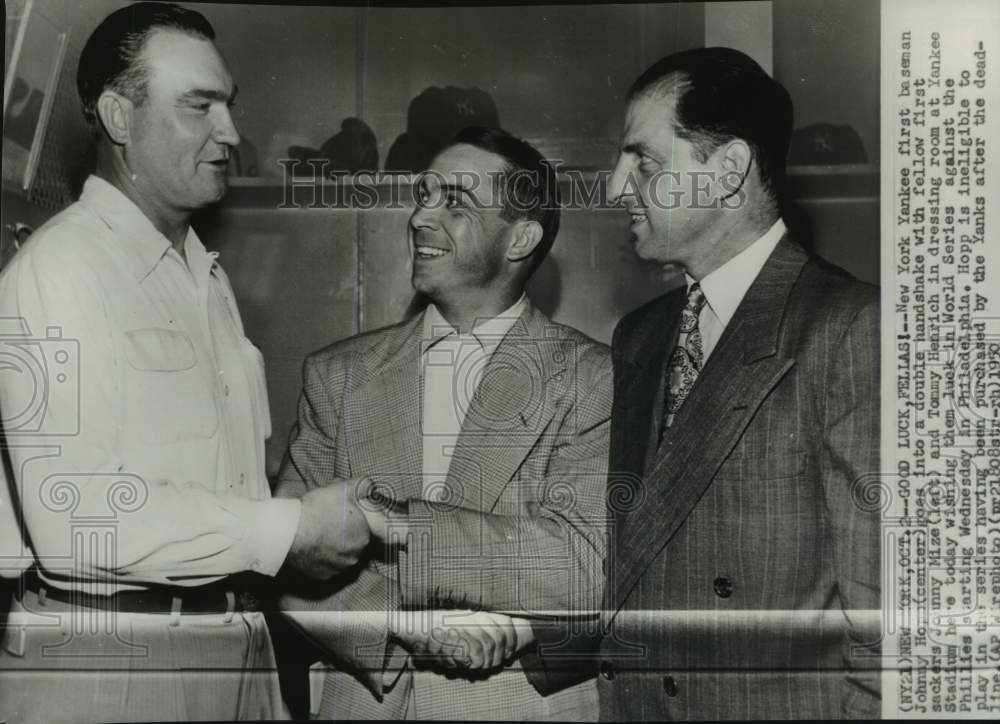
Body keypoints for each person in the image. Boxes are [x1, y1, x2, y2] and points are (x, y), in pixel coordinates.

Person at [0, 4, 369, 722]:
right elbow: (75, 523)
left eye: (229, 105)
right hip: (113, 663)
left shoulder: (200, 273)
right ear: (117, 115)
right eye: (200, 106)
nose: (230, 133)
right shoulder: (60, 271)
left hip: (230, 642)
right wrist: (289, 530)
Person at [532, 47, 882, 719]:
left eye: (645, 162)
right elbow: (636, 570)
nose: (614, 187)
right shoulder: (641, 336)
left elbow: (890, 639)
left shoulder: (851, 329)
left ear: (728, 172)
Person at [276, 126, 613, 720]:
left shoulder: (594, 378)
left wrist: (519, 627)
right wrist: (400, 624)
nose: (421, 217)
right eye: (424, 194)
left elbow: (587, 564)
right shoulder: (338, 375)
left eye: (454, 201)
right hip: (366, 700)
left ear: (521, 238)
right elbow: (286, 550)